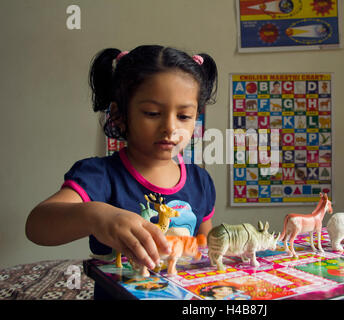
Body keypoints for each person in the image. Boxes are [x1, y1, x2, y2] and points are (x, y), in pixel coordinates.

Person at [25, 45, 218, 299]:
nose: (170, 127)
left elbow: (206, 253)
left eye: (184, 116)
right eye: (152, 113)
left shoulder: (200, 181)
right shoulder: (100, 176)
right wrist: (97, 215)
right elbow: (37, 225)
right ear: (118, 115)